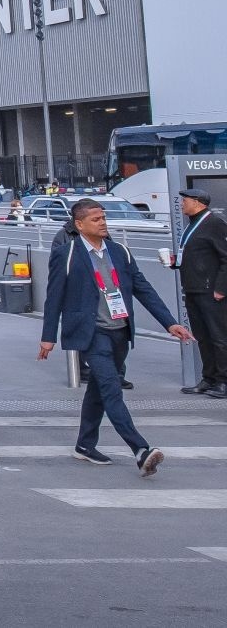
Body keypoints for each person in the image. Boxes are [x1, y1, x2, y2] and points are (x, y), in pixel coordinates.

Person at [41, 198, 192, 473]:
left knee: (99, 390)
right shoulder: (67, 254)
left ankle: (84, 445)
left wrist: (170, 323)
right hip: (91, 333)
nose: (103, 223)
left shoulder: (119, 251)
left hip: (120, 331)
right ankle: (140, 449)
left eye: (104, 218)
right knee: (111, 389)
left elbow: (143, 289)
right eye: (96, 219)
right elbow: (54, 297)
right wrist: (48, 336)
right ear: (80, 224)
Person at [174, 187, 227, 397]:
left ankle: (223, 381)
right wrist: (176, 262)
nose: (181, 204)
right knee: (203, 337)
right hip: (193, 289)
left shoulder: (214, 223)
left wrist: (221, 289)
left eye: (185, 200)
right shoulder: (192, 224)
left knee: (219, 337)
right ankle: (209, 378)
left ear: (198, 202)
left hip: (210, 291)